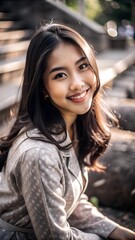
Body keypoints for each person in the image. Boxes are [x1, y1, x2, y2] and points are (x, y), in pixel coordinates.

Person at [0, 23, 135, 240]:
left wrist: (118, 232)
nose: (77, 83)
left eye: (83, 66)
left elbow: (69, 202)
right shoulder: (39, 153)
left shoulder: (70, 125)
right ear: (43, 88)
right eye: (60, 75)